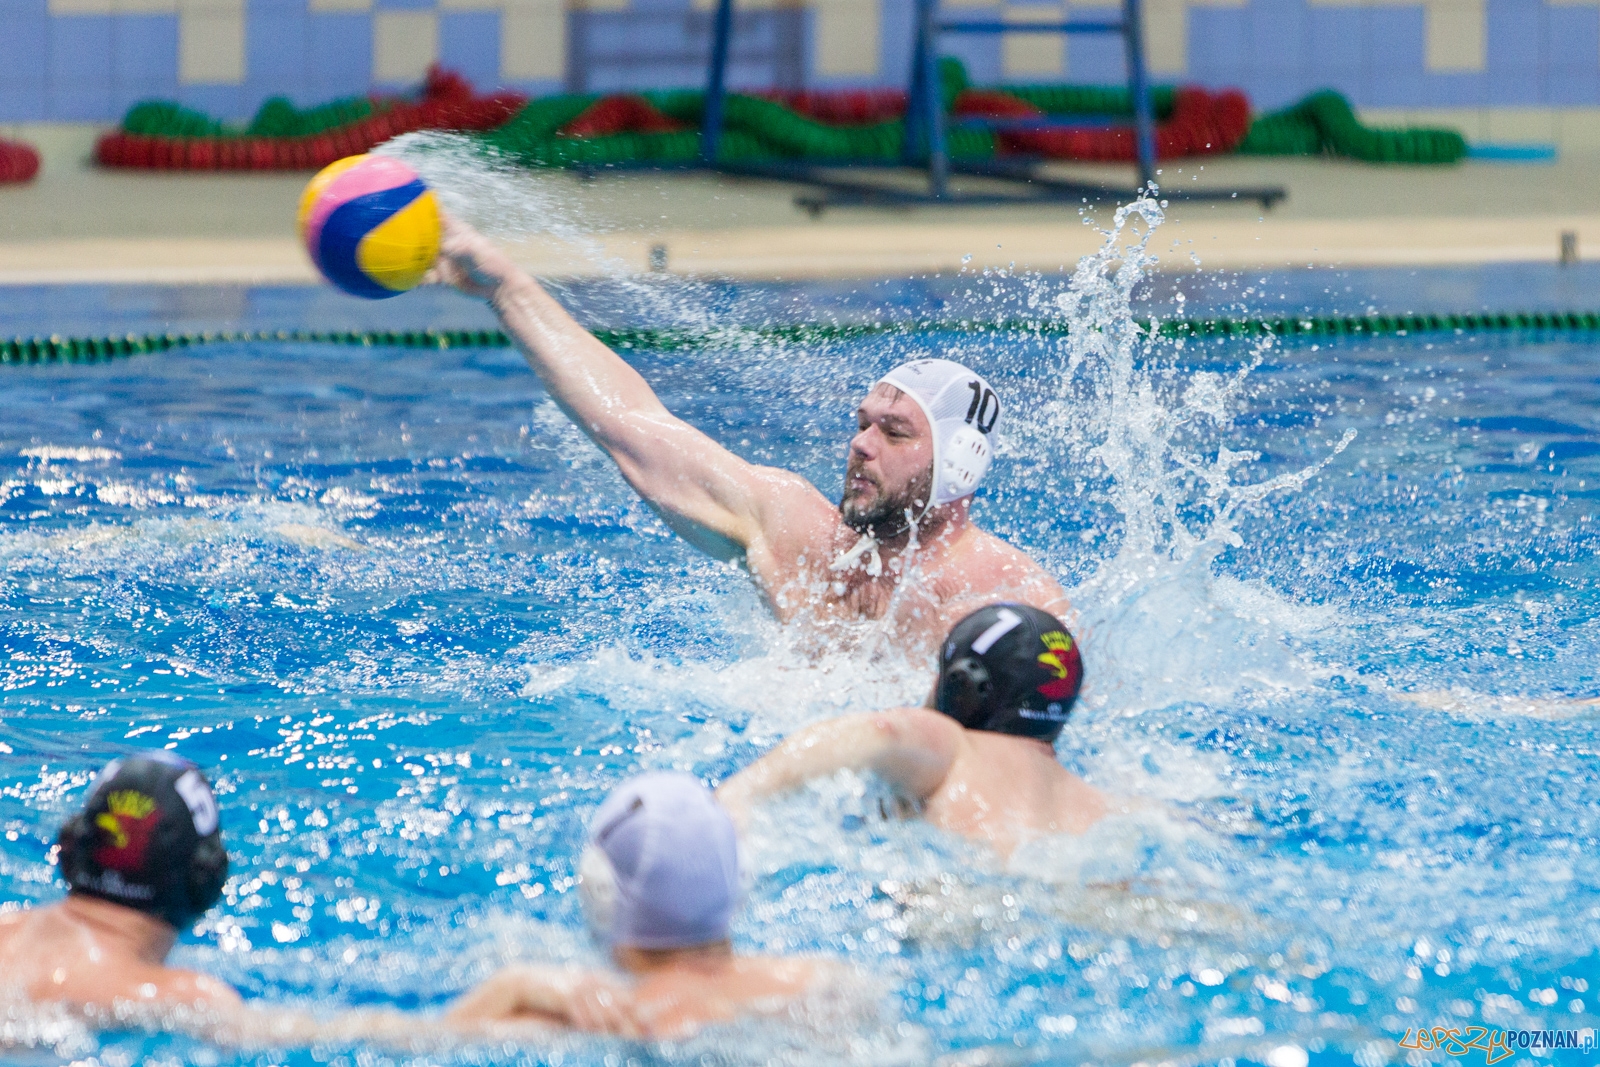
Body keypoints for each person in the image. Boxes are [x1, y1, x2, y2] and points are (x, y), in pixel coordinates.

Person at [429, 217, 1070, 652]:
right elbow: (630, 425)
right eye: (861, 423)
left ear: (960, 464)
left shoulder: (1009, 604)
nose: (861, 444)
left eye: (896, 433)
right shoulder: (798, 535)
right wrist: (505, 288)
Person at [446, 771, 855, 1039]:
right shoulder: (832, 987)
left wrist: (514, 985)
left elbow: (397, 1038)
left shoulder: (603, 1021)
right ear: (739, 878)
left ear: (599, 891)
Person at [717, 604, 1109, 858]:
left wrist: (742, 791)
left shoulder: (953, 747)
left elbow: (880, 731)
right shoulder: (1101, 805)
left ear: (963, 688)